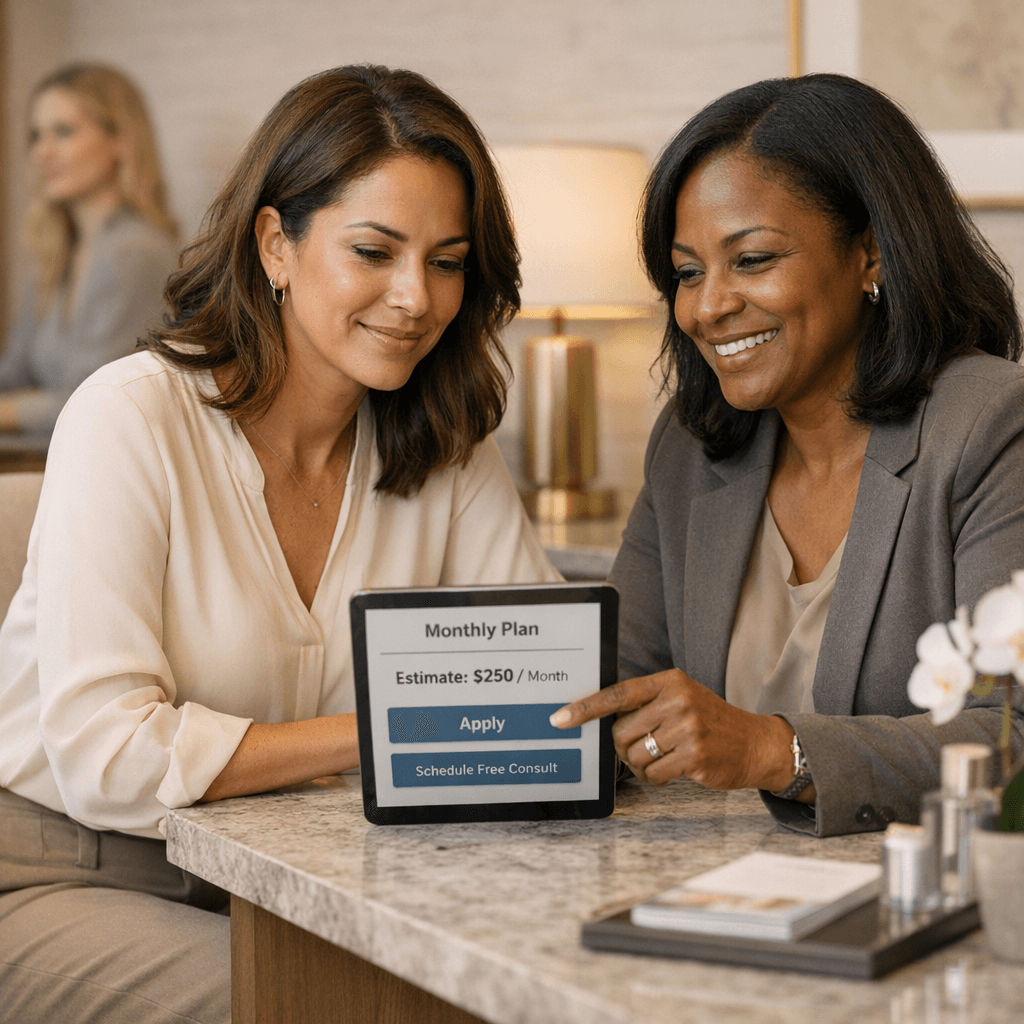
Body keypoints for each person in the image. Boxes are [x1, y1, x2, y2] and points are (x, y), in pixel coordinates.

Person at [0, 64, 559, 1023]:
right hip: (65, 866)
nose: (416, 297)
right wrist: (398, 733)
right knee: (330, 1011)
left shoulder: (448, 447)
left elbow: (545, 686)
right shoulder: (130, 419)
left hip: (296, 878)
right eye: (374, 251)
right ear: (276, 245)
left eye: (447, 261)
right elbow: (109, 757)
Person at [552, 74, 1024, 838]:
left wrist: (775, 750)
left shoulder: (992, 424)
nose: (709, 307)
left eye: (752, 259)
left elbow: (1012, 736)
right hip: (712, 883)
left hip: (915, 890)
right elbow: (610, 691)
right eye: (688, 272)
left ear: (872, 252)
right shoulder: (688, 447)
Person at [0, 63, 178, 443]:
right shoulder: (57, 252)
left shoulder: (137, 251)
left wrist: (10, 411)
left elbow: (92, 400)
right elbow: (13, 373)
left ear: (121, 142)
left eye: (63, 131)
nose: (42, 152)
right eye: (36, 135)